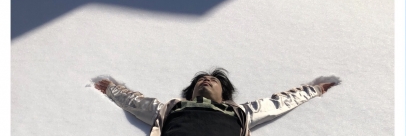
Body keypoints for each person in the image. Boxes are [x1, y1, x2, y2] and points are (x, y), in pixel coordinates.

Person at [94, 68, 337, 136]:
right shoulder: (172, 108)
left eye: (213, 80)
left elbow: (277, 103)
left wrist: (313, 90)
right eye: (201, 80)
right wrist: (112, 90)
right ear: (192, 91)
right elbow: (137, 104)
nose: (207, 80)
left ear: (224, 93)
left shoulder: (239, 113)